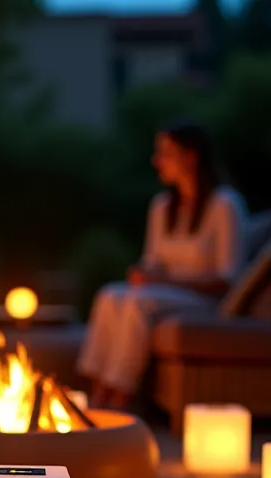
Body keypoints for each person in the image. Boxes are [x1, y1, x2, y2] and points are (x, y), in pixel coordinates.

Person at [76, 121, 249, 410]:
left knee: (138, 303)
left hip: (207, 300)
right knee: (110, 295)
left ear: (191, 156)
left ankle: (120, 396)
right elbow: (152, 261)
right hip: (166, 295)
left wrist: (163, 282)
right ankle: (96, 392)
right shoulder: (162, 206)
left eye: (166, 153)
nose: (157, 161)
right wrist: (143, 274)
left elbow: (228, 278)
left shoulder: (224, 205)